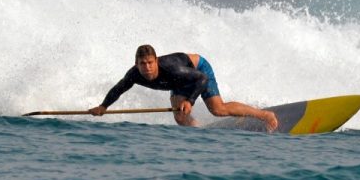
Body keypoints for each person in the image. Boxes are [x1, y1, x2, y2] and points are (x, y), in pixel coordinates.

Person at [89, 44, 279, 131]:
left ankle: (265, 116)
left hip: (197, 70)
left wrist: (190, 100)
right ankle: (201, 132)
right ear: (136, 63)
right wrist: (103, 107)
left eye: (149, 63)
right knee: (180, 117)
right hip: (178, 82)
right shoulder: (134, 74)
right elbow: (118, 89)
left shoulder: (172, 69)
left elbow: (202, 79)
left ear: (155, 61)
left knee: (218, 109)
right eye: (142, 64)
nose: (146, 68)